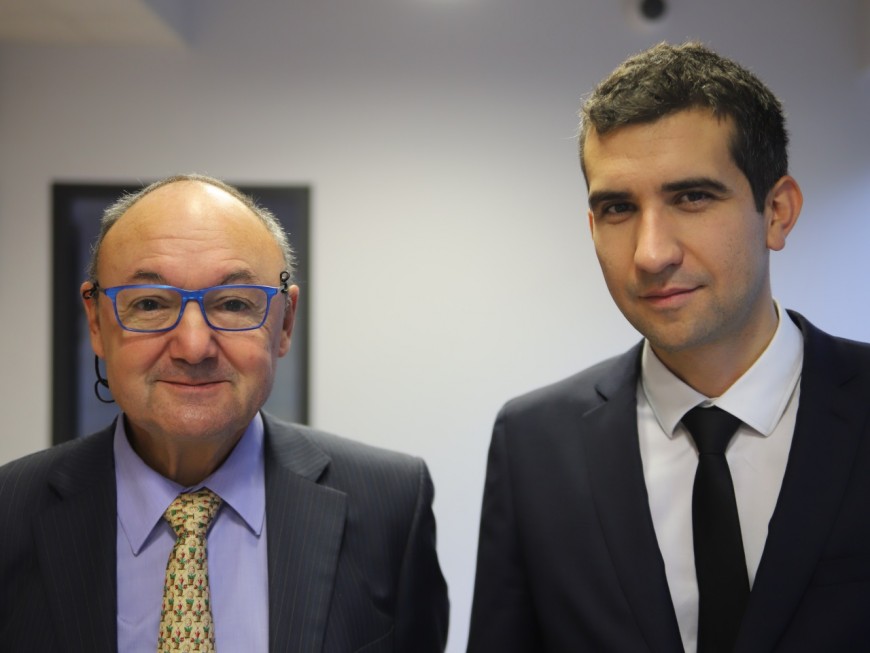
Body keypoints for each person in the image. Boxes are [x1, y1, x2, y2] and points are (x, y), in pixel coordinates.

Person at [467, 41, 870, 652]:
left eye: (692, 197)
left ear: (777, 212)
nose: (651, 253)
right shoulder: (533, 444)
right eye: (618, 208)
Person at [0, 174, 449, 652]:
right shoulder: (10, 512)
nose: (194, 347)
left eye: (233, 304)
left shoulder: (390, 506)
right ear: (96, 321)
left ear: (285, 322)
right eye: (150, 303)